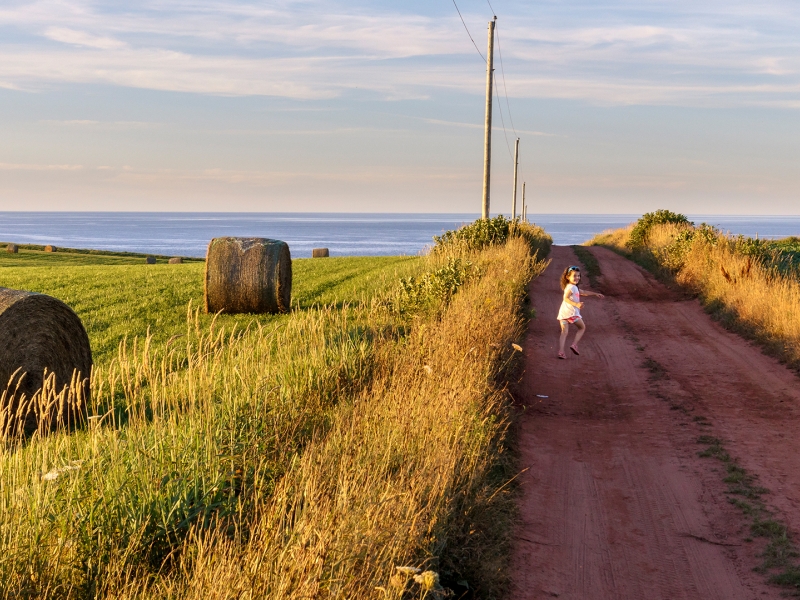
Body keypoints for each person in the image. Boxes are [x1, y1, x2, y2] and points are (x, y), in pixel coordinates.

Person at [557, 265, 603, 359]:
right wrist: (576, 304)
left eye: (578, 275)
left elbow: (583, 292)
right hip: (571, 313)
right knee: (582, 328)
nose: (577, 277)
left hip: (563, 313)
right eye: (574, 276)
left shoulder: (571, 287)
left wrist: (595, 294)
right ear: (567, 277)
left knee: (564, 332)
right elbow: (565, 298)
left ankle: (561, 352)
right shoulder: (572, 287)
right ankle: (574, 345)